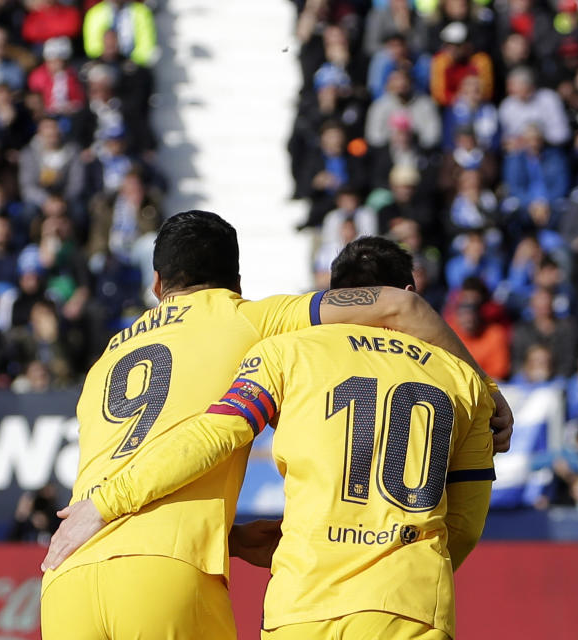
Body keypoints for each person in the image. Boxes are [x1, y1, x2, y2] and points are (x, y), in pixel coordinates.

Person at [38, 212, 514, 639]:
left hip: (69, 567)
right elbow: (463, 525)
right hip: (171, 566)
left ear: (158, 284)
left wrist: (104, 507)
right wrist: (489, 391)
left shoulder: (107, 357)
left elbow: (194, 433)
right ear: (237, 281)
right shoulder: (258, 323)